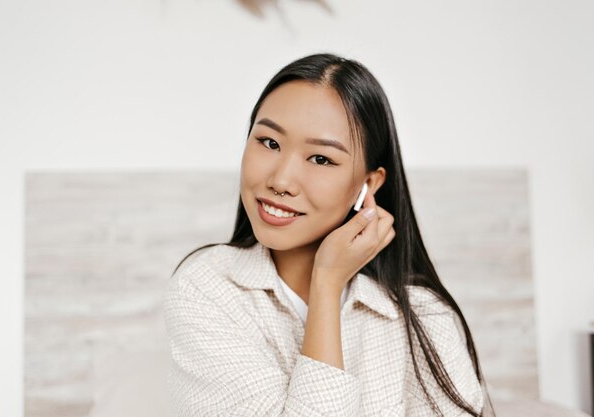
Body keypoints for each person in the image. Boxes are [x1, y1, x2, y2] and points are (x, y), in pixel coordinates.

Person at [163, 52, 495, 416]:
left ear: (368, 185)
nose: (281, 180)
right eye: (269, 142)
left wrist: (329, 281)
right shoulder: (208, 287)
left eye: (321, 159)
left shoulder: (423, 316)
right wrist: (326, 285)